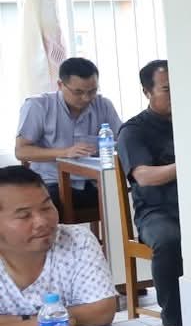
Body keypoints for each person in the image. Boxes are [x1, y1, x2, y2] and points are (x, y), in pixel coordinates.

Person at [0, 164, 117, 326]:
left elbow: (101, 311)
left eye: (46, 208)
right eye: (24, 216)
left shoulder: (77, 239)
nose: (41, 222)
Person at [116, 60, 182, 326]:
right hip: (157, 211)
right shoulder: (133, 130)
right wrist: (189, 163)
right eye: (167, 89)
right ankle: (176, 323)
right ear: (147, 92)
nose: (176, 94)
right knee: (169, 240)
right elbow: (144, 176)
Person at [14, 56, 123, 215]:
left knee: (123, 201)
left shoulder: (103, 105)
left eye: (92, 91)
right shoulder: (38, 106)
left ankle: (106, 241)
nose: (86, 98)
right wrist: (64, 153)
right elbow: (21, 151)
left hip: (94, 182)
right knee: (45, 209)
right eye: (78, 92)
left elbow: (121, 141)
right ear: (60, 85)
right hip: (52, 183)